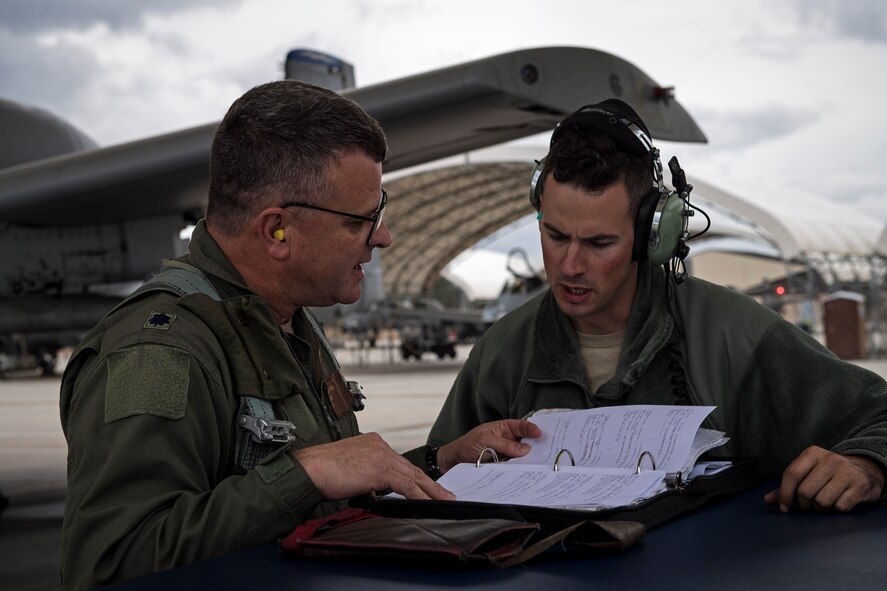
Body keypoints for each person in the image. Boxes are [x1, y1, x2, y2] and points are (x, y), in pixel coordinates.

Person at [59, 80, 536, 591]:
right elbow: (113, 562)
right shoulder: (158, 352)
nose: (383, 236)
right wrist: (304, 472)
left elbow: (328, 492)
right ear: (276, 230)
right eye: (363, 219)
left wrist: (439, 463)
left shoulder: (284, 321)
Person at [428, 98, 887, 514]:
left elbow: (877, 413)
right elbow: (421, 479)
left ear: (654, 236)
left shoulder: (735, 337)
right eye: (555, 235)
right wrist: (440, 460)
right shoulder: (502, 352)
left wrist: (867, 464)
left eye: (599, 242)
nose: (570, 265)